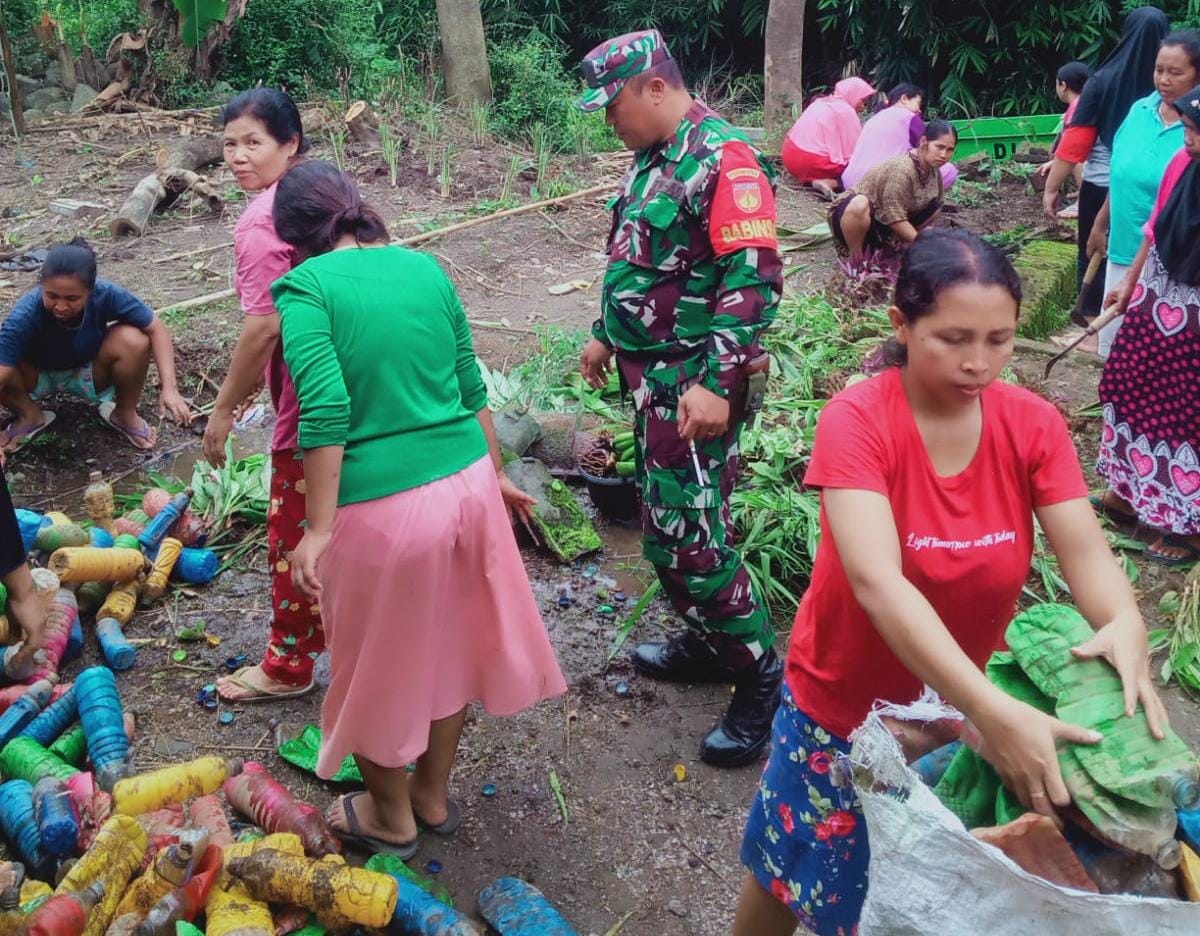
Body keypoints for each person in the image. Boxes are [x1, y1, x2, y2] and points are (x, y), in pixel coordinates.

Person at [731, 228, 1166, 936]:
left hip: (960, 714)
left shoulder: (1032, 425)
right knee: (789, 863)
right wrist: (991, 710)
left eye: (1000, 340)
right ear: (901, 325)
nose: (979, 362)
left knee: (904, 889)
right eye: (954, 337)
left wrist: (1125, 622)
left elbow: (1087, 555)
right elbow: (879, 585)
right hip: (844, 705)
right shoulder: (858, 421)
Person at [269, 160, 567, 857]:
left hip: (384, 510)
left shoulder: (305, 288)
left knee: (370, 671)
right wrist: (493, 477)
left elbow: (327, 409)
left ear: (292, 237)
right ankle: (430, 795)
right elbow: (469, 386)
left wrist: (316, 530)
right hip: (466, 487)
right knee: (447, 652)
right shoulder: (425, 268)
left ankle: (390, 816)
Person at [575, 29, 784, 767]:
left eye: (614, 105)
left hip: (696, 388)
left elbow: (753, 279)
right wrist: (605, 331)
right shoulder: (653, 161)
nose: (609, 120)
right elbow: (636, 260)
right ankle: (708, 644)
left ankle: (761, 677)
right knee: (669, 531)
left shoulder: (724, 160)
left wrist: (716, 383)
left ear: (654, 87)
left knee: (693, 543)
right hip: (655, 385)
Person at [202, 89, 324, 704]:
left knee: (294, 534)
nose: (238, 157)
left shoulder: (260, 222)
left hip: (313, 403)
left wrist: (223, 410)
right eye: (229, 144)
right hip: (372, 395)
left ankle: (287, 665)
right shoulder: (333, 197)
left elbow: (263, 327)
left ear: (290, 144)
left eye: (254, 143)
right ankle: (350, 638)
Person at [1094, 87, 1200, 566]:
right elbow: (1155, 229)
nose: (1189, 139)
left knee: (1185, 415)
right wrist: (1130, 282)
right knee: (1126, 384)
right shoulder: (1184, 163)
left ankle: (1190, 527)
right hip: (1156, 301)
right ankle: (1132, 490)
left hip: (1194, 321)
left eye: (1196, 131)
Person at [0, 239, 190, 452]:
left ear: (90, 291)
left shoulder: (107, 293)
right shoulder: (25, 313)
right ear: (41, 287)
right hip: (34, 377)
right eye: (52, 296)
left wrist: (170, 389)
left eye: (72, 298)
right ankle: (29, 415)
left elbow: (157, 329)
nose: (61, 306)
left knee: (134, 339)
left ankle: (124, 414)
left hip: (89, 373)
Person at [1043, 7, 1170, 324]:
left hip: (1103, 183)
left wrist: (1052, 188)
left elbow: (1075, 145)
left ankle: (1090, 314)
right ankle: (1145, 315)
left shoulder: (1103, 80)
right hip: (1162, 184)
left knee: (1095, 247)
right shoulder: (1171, 84)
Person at [1086, 31, 1200, 358]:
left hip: (1171, 265)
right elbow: (1121, 174)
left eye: (1175, 72)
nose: (1163, 80)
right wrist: (1100, 222)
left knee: (1154, 354)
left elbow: (1163, 213)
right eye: (1158, 69)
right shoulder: (1139, 110)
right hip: (1123, 249)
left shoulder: (1192, 138)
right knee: (1113, 351)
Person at [828, 121, 957, 261]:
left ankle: (898, 245)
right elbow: (893, 216)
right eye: (939, 147)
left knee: (934, 207)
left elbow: (935, 207)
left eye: (950, 150)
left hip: (884, 226)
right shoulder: (901, 169)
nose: (944, 155)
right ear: (924, 141)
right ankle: (856, 258)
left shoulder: (933, 171)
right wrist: (921, 242)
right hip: (854, 219)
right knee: (859, 203)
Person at [841, 84, 958, 192]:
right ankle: (918, 202)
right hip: (883, 185)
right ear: (904, 99)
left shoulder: (874, 118)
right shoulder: (909, 117)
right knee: (949, 170)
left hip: (850, 182)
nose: (919, 110)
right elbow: (924, 153)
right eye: (918, 103)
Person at [780, 77, 876, 198]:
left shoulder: (821, 102)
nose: (863, 106)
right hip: (812, 162)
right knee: (861, 168)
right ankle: (831, 182)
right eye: (862, 100)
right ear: (852, 95)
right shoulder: (846, 111)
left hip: (790, 156)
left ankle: (813, 179)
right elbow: (857, 151)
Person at [1035, 61, 1091, 203]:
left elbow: (1074, 152)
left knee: (1076, 156)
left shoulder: (1077, 110)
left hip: (1098, 172)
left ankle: (1083, 200)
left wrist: (1050, 190)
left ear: (1063, 86)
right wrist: (1055, 162)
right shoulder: (1088, 103)